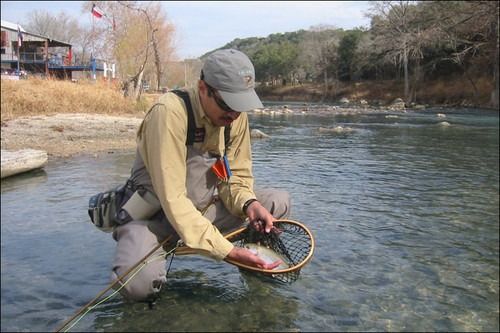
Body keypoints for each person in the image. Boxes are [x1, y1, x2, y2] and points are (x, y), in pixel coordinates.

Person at [111, 49, 291, 302]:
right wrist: (227, 251)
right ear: (203, 88)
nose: (234, 115)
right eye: (228, 104)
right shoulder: (169, 113)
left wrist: (250, 204)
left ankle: (253, 262)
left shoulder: (235, 117)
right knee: (137, 285)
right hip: (157, 218)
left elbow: (235, 179)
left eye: (241, 106)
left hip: (204, 208)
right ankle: (234, 254)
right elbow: (173, 199)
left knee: (276, 202)